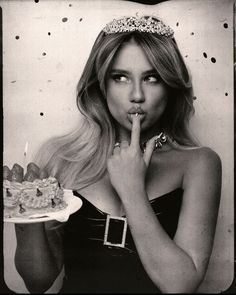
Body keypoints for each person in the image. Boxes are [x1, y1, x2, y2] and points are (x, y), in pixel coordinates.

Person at [13, 15, 222, 293]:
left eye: (152, 77)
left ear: (171, 86)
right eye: (120, 77)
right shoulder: (61, 157)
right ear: (101, 84)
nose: (137, 95)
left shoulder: (199, 163)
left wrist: (132, 189)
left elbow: (180, 286)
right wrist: (25, 215)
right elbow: (37, 283)